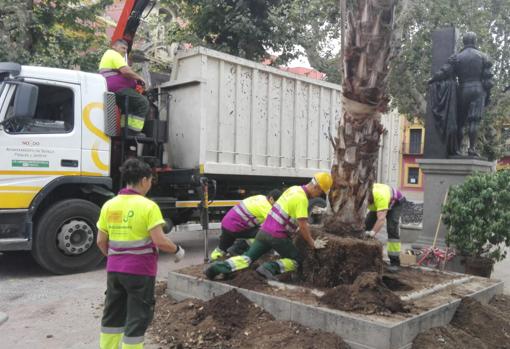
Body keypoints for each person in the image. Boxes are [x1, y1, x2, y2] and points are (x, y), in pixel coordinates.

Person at [97, 158, 185, 349]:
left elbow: (100, 241)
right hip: (140, 272)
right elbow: (160, 241)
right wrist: (177, 250)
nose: (150, 184)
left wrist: (115, 259)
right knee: (137, 318)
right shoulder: (148, 206)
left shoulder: (109, 205)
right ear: (144, 180)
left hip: (114, 271)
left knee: (112, 315)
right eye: (151, 180)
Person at [204, 172, 332, 281]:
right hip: (277, 236)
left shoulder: (293, 189)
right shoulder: (302, 199)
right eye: (321, 193)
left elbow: (288, 215)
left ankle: (216, 268)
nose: (318, 196)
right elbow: (303, 226)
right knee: (297, 260)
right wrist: (312, 243)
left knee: (247, 258)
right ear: (317, 187)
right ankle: (268, 268)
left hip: (263, 232)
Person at [429, 32, 493, 157]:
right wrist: (487, 95)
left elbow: (444, 72)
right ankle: (472, 149)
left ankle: (457, 149)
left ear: (463, 42)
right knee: (474, 121)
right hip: (478, 89)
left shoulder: (457, 57)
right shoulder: (483, 56)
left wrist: (432, 79)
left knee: (460, 121)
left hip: (463, 89)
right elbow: (488, 80)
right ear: (475, 41)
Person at [209, 189, 283, 261]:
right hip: (236, 228)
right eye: (277, 203)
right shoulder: (266, 207)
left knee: (221, 248)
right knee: (266, 235)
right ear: (271, 199)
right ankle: (237, 248)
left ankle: (212, 260)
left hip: (227, 224)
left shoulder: (260, 197)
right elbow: (277, 224)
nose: (278, 206)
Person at [99, 39, 149, 134]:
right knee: (143, 102)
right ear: (114, 46)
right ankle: (134, 132)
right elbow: (125, 71)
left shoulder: (111, 56)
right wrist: (140, 78)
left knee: (128, 108)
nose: (125, 51)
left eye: (126, 49)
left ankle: (125, 130)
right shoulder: (113, 54)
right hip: (119, 89)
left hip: (115, 89)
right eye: (123, 48)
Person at [364, 183, 405, 272]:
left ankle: (395, 262)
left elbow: (381, 220)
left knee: (392, 228)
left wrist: (372, 233)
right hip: (378, 205)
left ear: (369, 198)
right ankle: (365, 258)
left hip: (395, 203)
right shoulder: (362, 195)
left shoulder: (380, 197)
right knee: (366, 224)